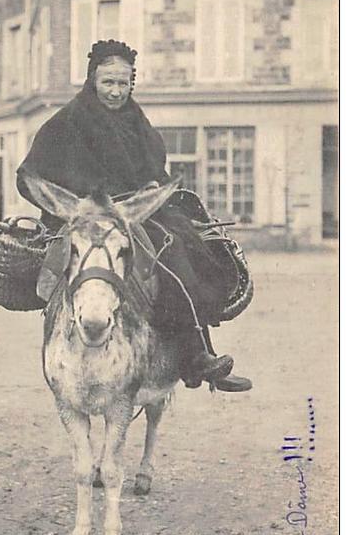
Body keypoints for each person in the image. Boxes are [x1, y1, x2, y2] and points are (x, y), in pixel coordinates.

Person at [17, 39, 251, 392]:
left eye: (123, 83)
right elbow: (29, 178)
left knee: (179, 247)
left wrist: (152, 186)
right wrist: (71, 204)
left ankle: (197, 354)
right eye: (107, 82)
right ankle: (65, 354)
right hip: (84, 216)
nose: (115, 91)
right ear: (92, 80)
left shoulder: (136, 121)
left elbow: (153, 167)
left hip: (133, 213)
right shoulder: (65, 123)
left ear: (131, 84)